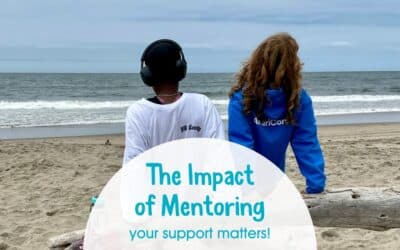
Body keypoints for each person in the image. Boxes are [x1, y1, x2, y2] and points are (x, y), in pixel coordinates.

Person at [228, 33, 326, 194]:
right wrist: (316, 184)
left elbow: (241, 147)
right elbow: (307, 144)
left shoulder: (240, 98)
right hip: (263, 181)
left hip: (259, 182)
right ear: (292, 66)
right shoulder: (298, 99)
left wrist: (316, 188)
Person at [123, 39, 225, 165]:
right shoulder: (202, 104)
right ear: (181, 68)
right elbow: (219, 154)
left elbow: (133, 165)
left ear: (147, 75)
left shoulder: (138, 112)